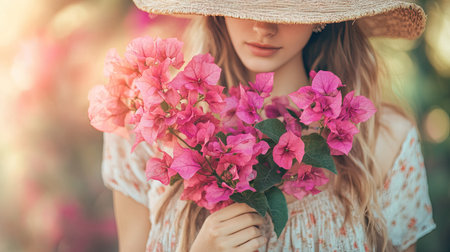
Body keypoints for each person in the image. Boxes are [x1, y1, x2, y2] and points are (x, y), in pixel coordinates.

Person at [101, 0, 436, 251]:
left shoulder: (384, 140)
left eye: (286, 8)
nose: (264, 27)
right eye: (247, 5)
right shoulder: (151, 129)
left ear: (321, 17)